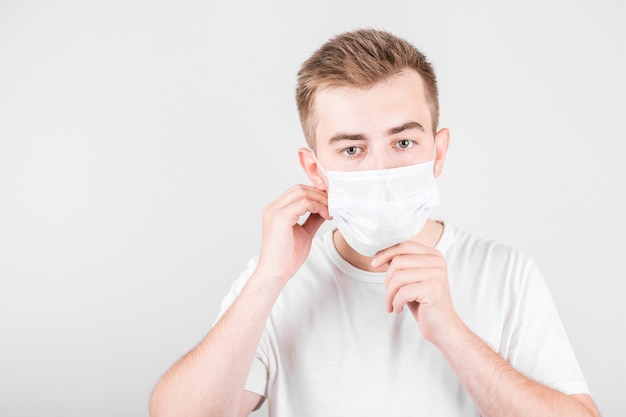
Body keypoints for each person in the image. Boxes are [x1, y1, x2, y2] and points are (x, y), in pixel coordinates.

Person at [149, 28, 600, 417]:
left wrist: (453, 335)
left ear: (438, 152)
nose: (380, 170)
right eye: (351, 149)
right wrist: (268, 279)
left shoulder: (505, 273)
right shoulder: (275, 280)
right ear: (314, 170)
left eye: (403, 142)